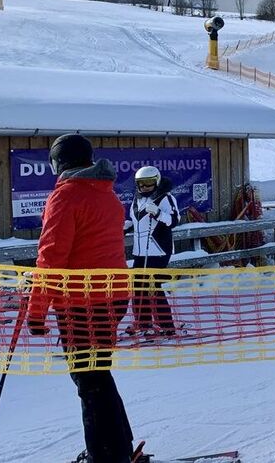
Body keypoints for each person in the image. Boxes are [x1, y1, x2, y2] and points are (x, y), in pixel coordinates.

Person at [27, 134, 135, 463]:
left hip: (82, 304)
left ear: (59, 163)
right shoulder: (107, 195)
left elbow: (50, 258)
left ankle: (106, 454)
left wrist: (36, 310)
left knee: (89, 379)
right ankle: (116, 447)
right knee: (97, 373)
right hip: (111, 297)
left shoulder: (66, 197)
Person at [125, 166, 180, 337]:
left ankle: (166, 325)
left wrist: (157, 213)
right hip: (140, 250)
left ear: (156, 181)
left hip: (158, 248)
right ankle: (143, 321)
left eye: (149, 183)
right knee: (138, 286)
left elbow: (174, 220)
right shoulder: (137, 199)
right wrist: (125, 227)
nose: (145, 187)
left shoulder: (166, 198)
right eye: (141, 184)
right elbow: (135, 220)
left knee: (153, 285)